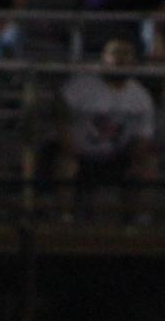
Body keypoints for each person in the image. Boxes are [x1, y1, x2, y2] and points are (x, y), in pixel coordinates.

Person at [55, 34, 156, 220]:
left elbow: (143, 135)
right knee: (66, 166)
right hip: (82, 155)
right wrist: (71, 147)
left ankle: (136, 223)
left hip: (116, 156)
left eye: (126, 54)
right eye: (115, 53)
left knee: (146, 166)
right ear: (104, 57)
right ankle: (64, 218)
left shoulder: (140, 96)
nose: (120, 59)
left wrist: (137, 157)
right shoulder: (81, 86)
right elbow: (60, 115)